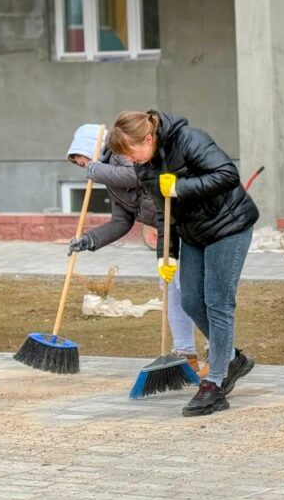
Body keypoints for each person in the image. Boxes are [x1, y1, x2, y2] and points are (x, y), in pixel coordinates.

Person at [107, 110, 259, 417]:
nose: (130, 160)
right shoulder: (145, 166)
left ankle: (214, 385)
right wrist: (168, 255)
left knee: (218, 302)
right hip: (192, 232)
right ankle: (232, 358)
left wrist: (179, 187)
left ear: (148, 138)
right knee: (190, 301)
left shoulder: (189, 139)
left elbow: (228, 175)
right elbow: (164, 211)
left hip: (228, 225)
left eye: (131, 152)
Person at [65, 124, 202, 374]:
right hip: (167, 232)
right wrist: (88, 240)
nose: (80, 164)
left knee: (189, 290)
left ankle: (221, 354)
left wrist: (98, 170)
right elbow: (121, 222)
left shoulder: (124, 155)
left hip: (190, 225)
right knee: (171, 288)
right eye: (76, 162)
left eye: (80, 158)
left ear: (91, 148)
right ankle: (185, 354)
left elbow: (137, 175)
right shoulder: (107, 178)